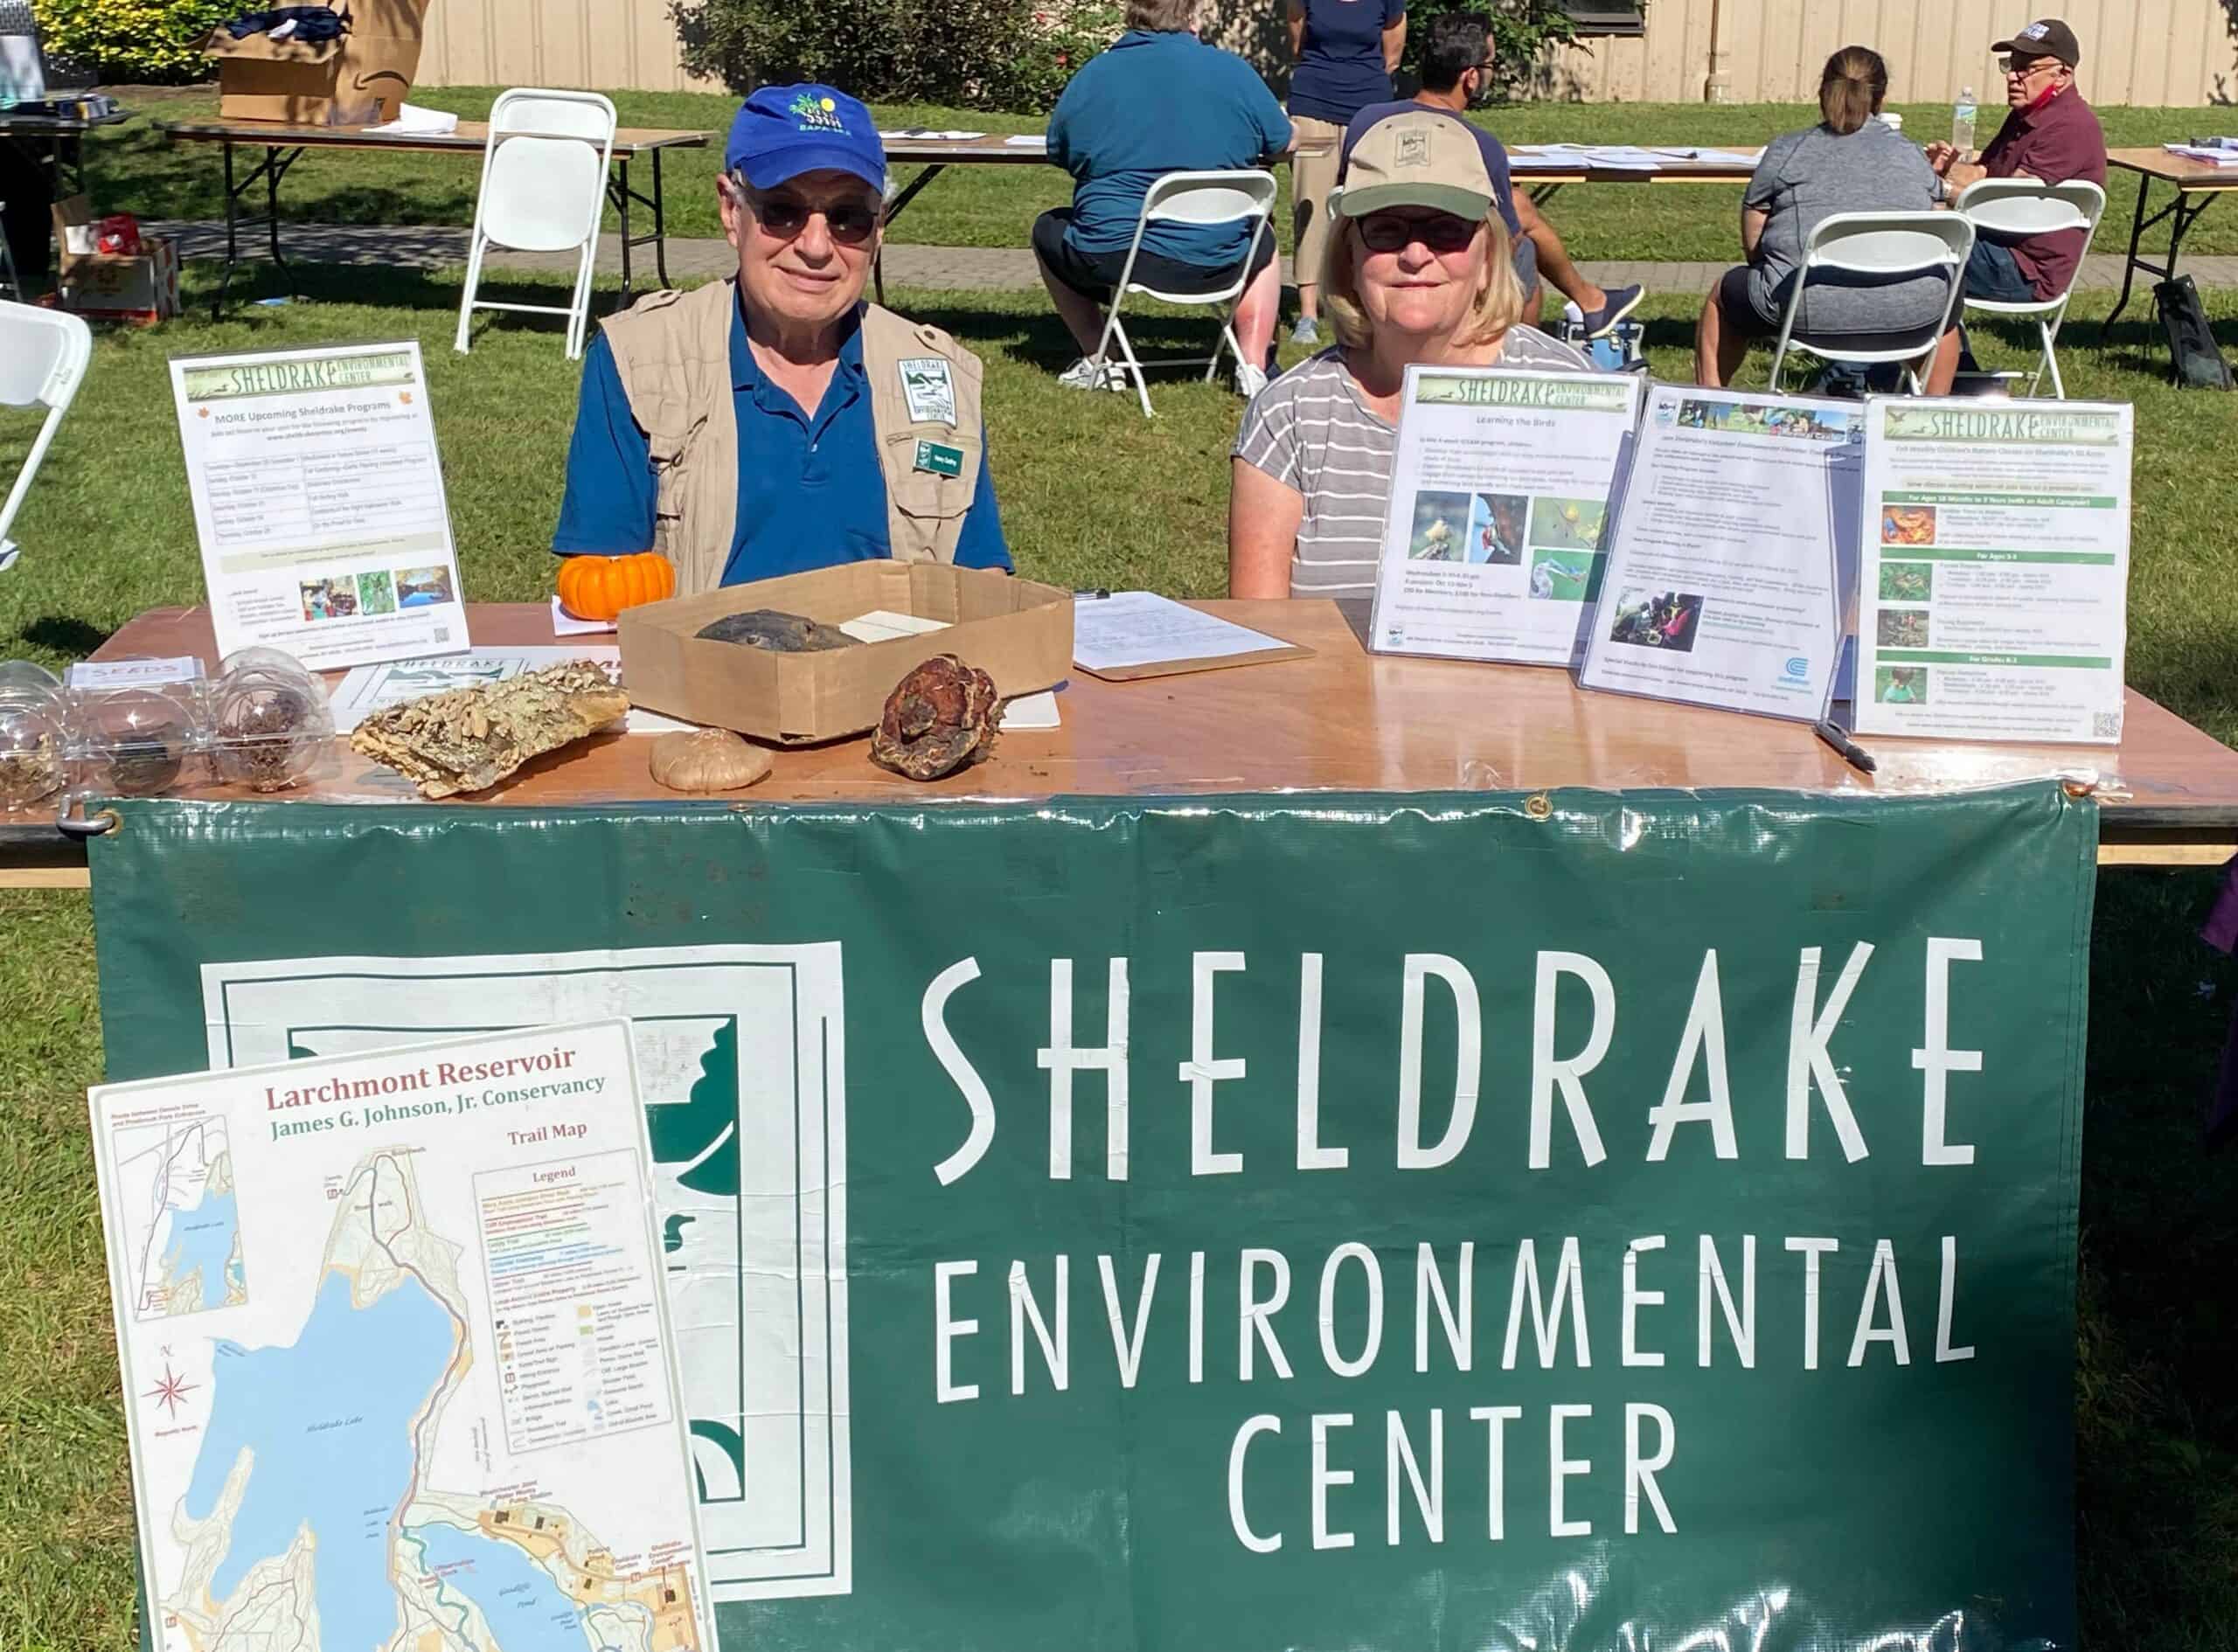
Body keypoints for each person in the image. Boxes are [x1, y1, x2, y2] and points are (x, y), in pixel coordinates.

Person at [553, 84, 1011, 594]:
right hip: (707, 668)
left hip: (894, 667)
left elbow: (981, 583)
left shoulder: (936, 371)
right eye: (783, 211)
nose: (816, 247)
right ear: (732, 211)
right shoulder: (638, 357)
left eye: (848, 218)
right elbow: (605, 589)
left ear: (878, 229)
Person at [1229, 109, 1592, 601]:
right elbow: (1261, 632)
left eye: (1446, 230)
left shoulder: (1570, 391)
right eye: (1386, 229)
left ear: (1488, 258)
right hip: (1334, 680)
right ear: (1350, 256)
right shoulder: (1289, 413)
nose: (1416, 255)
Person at [1037, 0, 1293, 396]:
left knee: (1048, 228)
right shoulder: (1232, 71)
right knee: (1263, 236)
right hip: (1215, 253)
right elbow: (1282, 139)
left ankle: (1097, 357)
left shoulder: (1096, 74)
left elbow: (1061, 151)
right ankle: (1254, 366)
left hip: (1112, 253)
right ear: (1191, 17)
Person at [1343, 13, 1641, 337]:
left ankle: (1591, 301)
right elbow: (1505, 243)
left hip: (1371, 252)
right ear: (1471, 77)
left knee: (1519, 208)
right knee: (1523, 245)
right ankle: (1527, 344)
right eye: (1491, 65)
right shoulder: (1479, 145)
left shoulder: (1366, 123)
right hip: (1443, 267)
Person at [1693, 45, 1944, 388]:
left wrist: (1763, 263)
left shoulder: (1788, 151)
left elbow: (1755, 226)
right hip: (1913, 313)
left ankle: (1708, 404)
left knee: (1724, 294)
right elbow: (1938, 224)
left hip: (1807, 309)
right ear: (1881, 97)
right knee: (1944, 313)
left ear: (1822, 92)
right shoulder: (1912, 155)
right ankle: (1933, 413)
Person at [1922, 17, 2105, 391]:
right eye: (2011, 64)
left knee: (1916, 258)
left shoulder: (2069, 127)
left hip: (2027, 270)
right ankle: (1961, 374)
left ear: (2062, 74)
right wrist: (1948, 167)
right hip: (1999, 249)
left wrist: (1942, 195)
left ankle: (1860, 376)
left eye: (2026, 67)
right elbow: (1984, 174)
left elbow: (2001, 204)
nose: (2013, 76)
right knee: (1918, 247)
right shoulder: (2026, 117)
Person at [1285, 0, 1407, 348]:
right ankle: (1308, 311)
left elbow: (1393, 53)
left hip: (1370, 105)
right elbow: (1297, 42)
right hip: (1313, 102)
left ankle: (1366, 300)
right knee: (1309, 206)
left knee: (1371, 205)